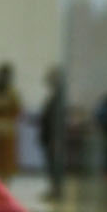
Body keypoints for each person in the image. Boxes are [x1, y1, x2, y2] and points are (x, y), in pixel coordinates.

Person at [39, 66, 65, 200]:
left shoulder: (59, 98)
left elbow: (56, 120)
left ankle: (56, 191)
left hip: (53, 138)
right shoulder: (55, 96)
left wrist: (55, 139)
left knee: (54, 166)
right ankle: (53, 189)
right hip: (48, 136)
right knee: (50, 165)